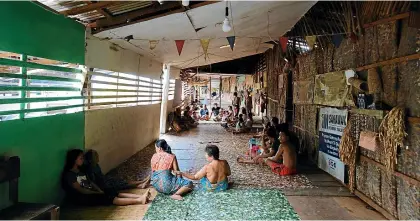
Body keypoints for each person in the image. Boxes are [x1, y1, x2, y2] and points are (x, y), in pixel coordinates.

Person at [61, 149, 150, 206]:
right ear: (74, 160)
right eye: (80, 158)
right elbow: (81, 190)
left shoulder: (81, 170)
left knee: (114, 192)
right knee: (111, 199)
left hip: (92, 191)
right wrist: (95, 193)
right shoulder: (70, 175)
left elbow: (90, 182)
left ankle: (140, 196)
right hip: (83, 197)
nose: (82, 160)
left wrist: (98, 190)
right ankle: (139, 200)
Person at [84, 150, 150, 191]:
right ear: (91, 159)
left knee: (122, 181)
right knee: (122, 183)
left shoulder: (96, 165)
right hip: (104, 184)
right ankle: (142, 182)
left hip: (105, 180)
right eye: (95, 156)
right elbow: (93, 182)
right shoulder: (90, 169)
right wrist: (100, 190)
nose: (98, 156)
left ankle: (140, 185)